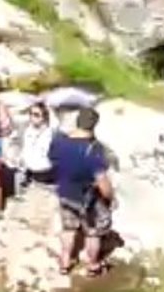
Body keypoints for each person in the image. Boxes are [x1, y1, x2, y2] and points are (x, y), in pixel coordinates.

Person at [47, 107, 115, 277]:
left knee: (69, 229)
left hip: (65, 193)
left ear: (77, 121)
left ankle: (65, 261)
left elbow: (52, 160)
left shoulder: (59, 141)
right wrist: (110, 198)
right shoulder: (94, 150)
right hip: (88, 199)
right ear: (94, 125)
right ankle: (92, 265)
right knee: (93, 233)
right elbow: (103, 183)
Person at [17, 101, 56, 186]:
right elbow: (25, 150)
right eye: (30, 114)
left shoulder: (50, 133)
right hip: (30, 171)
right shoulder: (28, 130)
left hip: (44, 172)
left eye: (36, 115)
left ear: (44, 117)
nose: (32, 117)